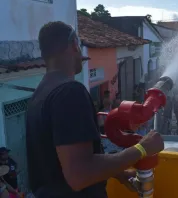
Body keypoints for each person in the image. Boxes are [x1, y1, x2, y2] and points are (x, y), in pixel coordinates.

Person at [26, 21, 164, 197]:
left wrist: (116, 171)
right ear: (75, 45)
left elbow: (59, 165)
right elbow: (79, 175)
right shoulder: (69, 92)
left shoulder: (39, 95)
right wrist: (142, 148)